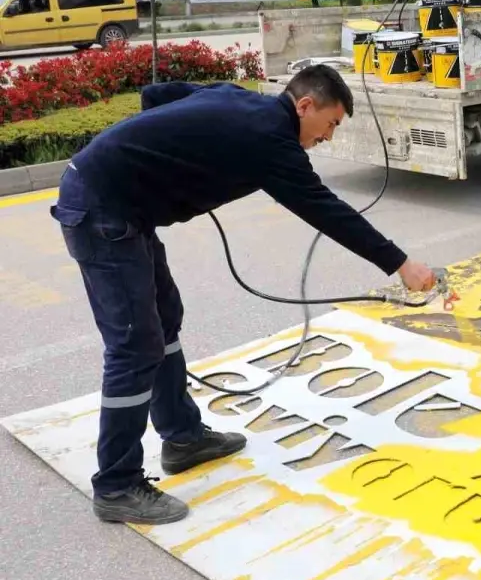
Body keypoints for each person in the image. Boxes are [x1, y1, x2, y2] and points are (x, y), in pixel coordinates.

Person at [51, 65, 436, 526]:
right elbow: (327, 211)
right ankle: (116, 485)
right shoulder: (270, 141)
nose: (329, 137)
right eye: (331, 124)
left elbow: (158, 94)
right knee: (135, 346)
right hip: (101, 211)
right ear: (305, 106)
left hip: (125, 209)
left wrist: (168, 160)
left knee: (164, 318)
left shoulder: (243, 99)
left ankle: (183, 438)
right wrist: (400, 263)